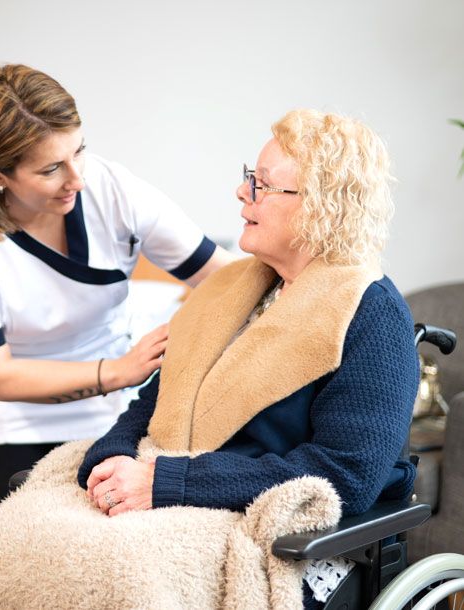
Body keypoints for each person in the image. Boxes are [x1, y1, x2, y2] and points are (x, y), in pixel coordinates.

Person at [75, 109, 419, 607]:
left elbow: (346, 475)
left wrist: (167, 482)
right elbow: (152, 403)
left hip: (277, 534)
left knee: (107, 573)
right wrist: (114, 457)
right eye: (248, 179)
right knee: (28, 543)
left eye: (261, 185)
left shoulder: (371, 314)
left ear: (320, 206)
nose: (242, 194)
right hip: (175, 494)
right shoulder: (232, 292)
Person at [0, 64, 234, 516]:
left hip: (110, 411)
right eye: (51, 169)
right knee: (25, 546)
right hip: (10, 422)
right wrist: (119, 371)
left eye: (79, 151)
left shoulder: (114, 191)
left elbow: (222, 277)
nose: (77, 179)